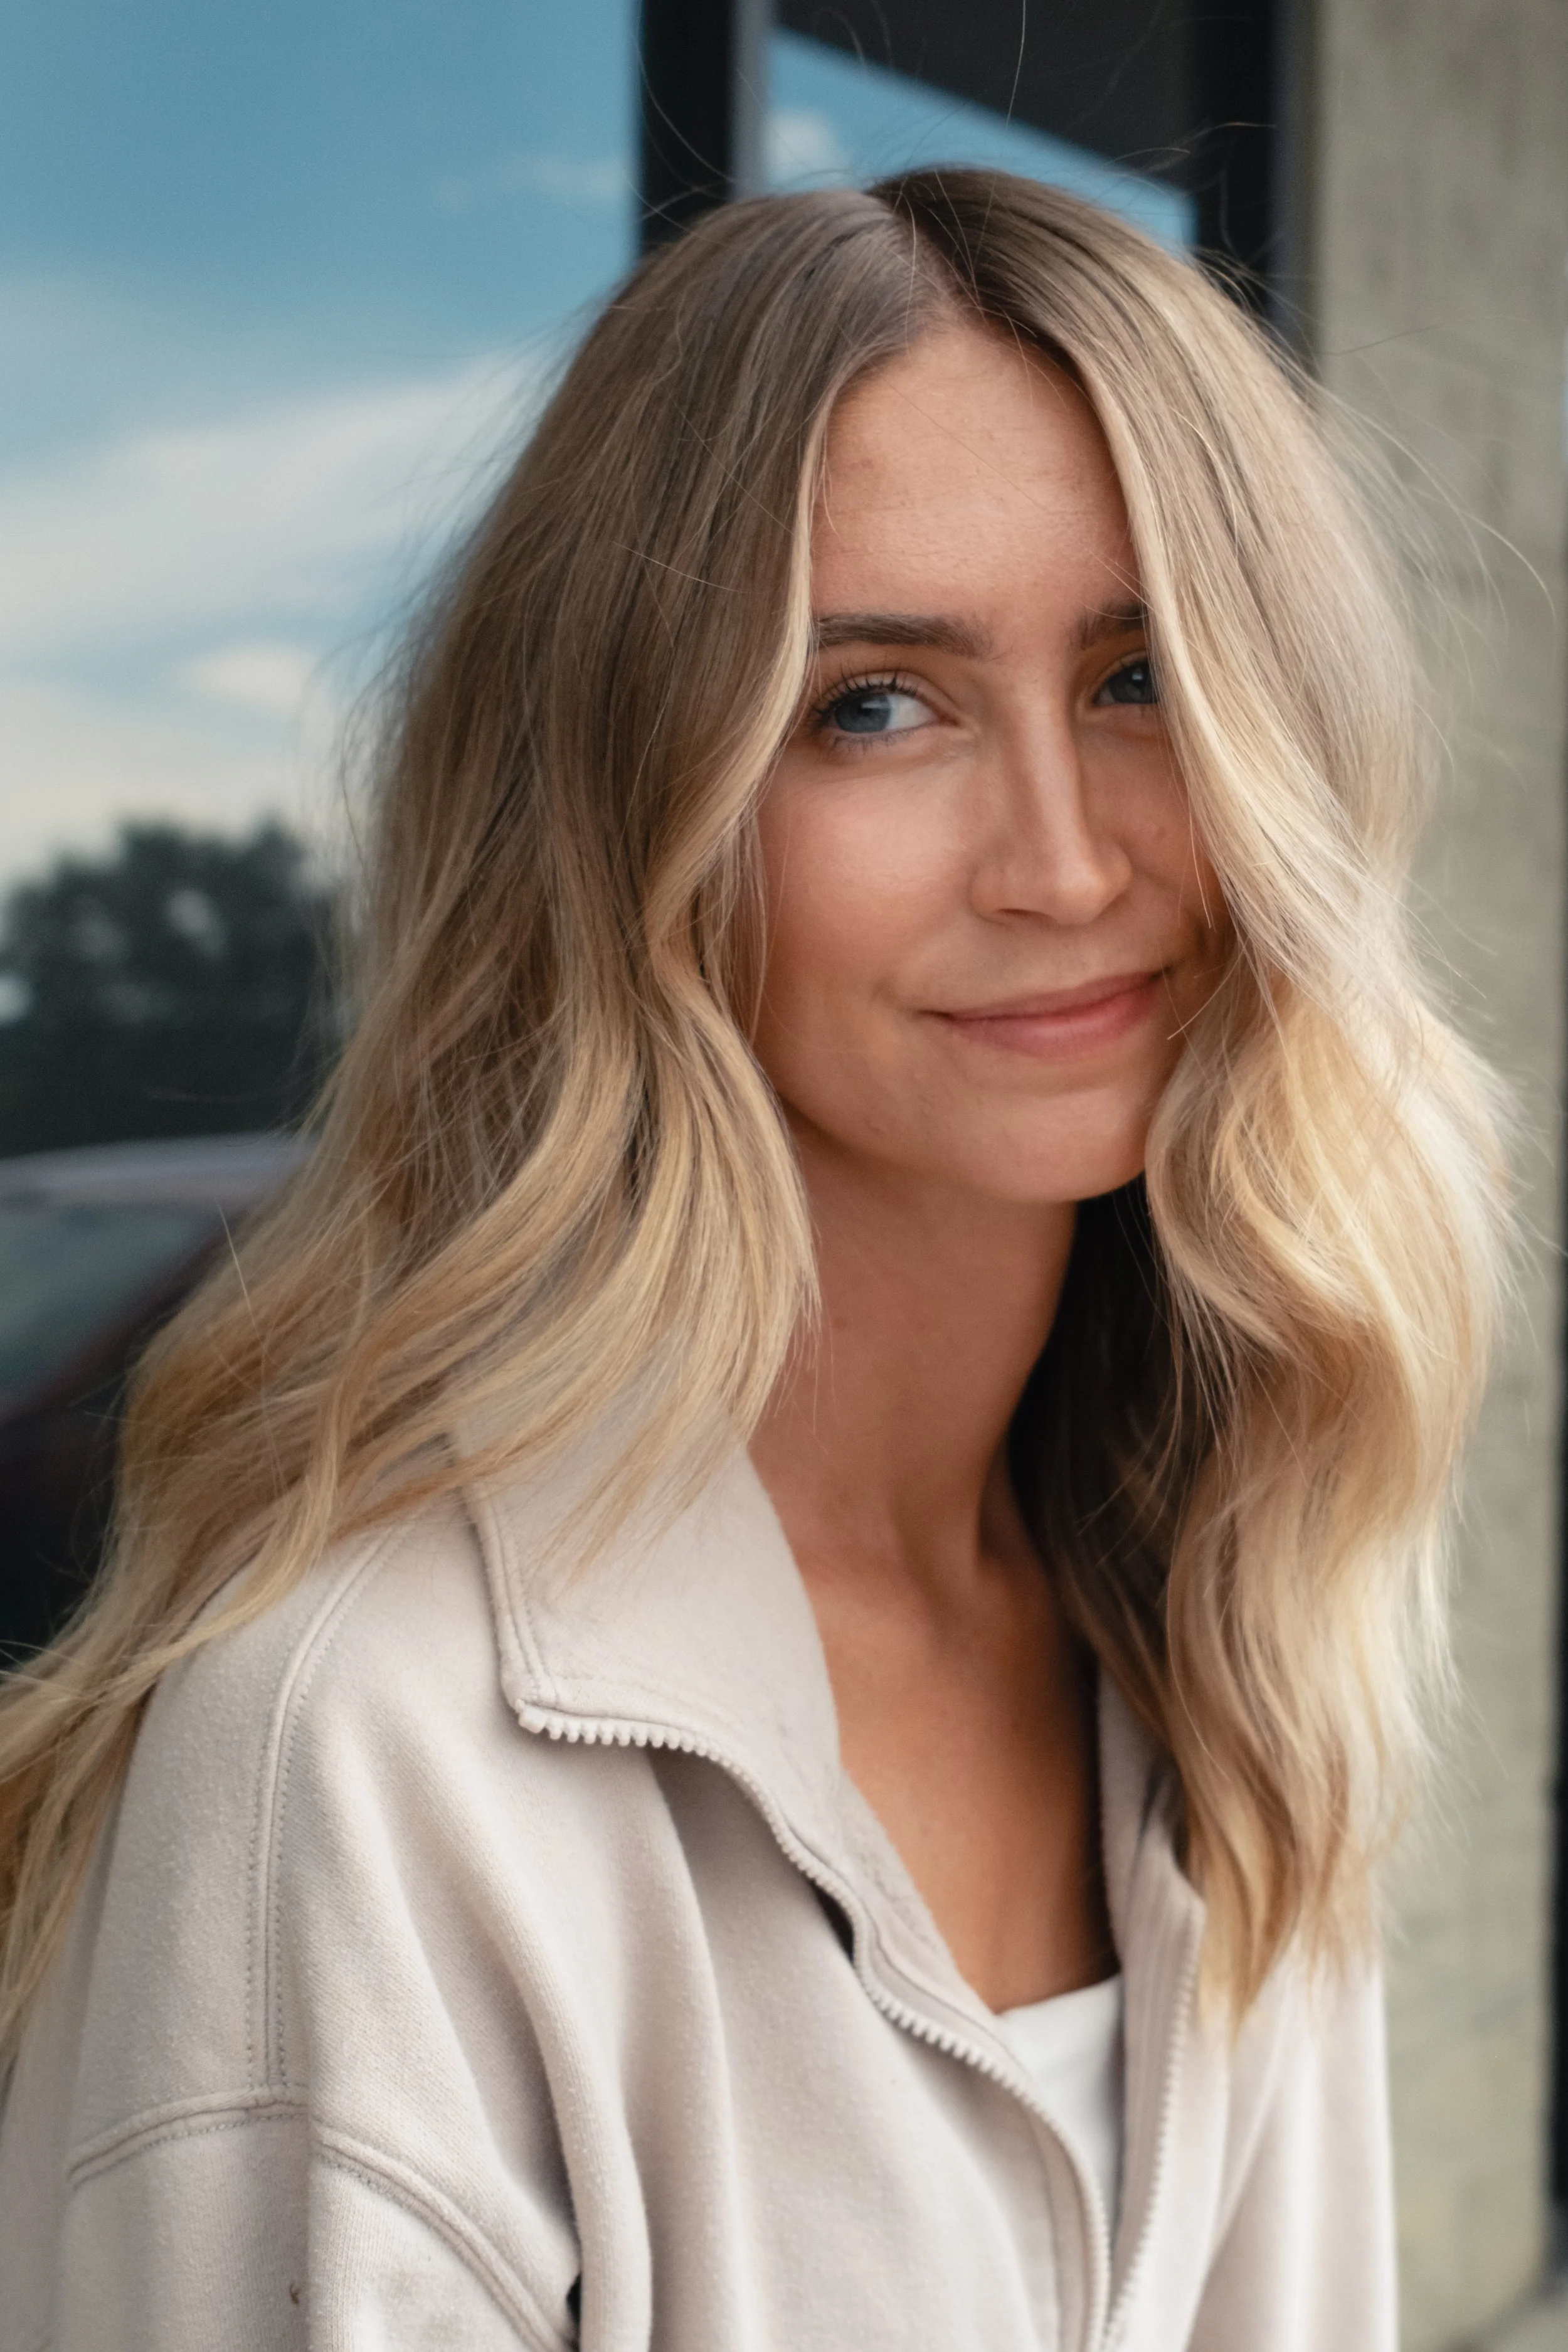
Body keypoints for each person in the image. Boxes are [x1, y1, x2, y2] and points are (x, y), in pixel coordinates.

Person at [0, 171, 1506, 2350]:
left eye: (1141, 674)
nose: (1069, 860)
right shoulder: (358, 1758)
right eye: (874, 706)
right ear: (636, 810)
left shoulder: (1237, 1608)